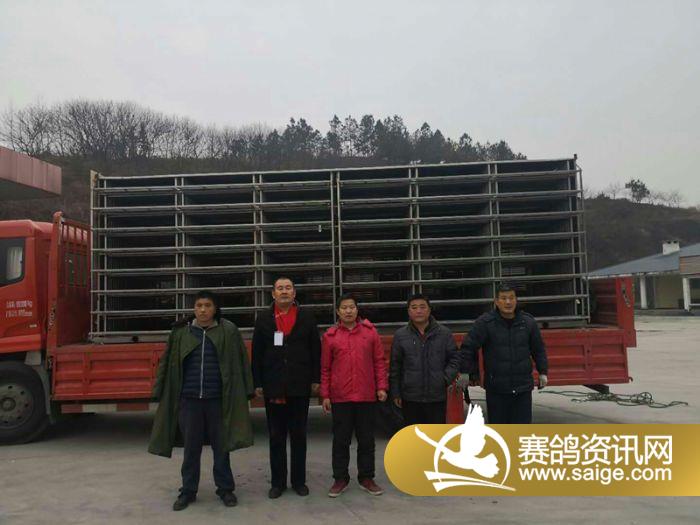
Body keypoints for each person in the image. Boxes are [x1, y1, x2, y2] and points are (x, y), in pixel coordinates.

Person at [148, 290, 254, 511]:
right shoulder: (181, 332)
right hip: (189, 400)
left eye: (208, 305)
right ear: (194, 309)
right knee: (191, 449)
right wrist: (158, 390)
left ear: (215, 309)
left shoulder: (228, 330)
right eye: (199, 306)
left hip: (219, 400)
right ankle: (188, 491)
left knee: (221, 448)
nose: (203, 310)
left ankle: (225, 489)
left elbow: (241, 360)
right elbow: (167, 362)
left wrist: (248, 389)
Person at [251, 276, 321, 499]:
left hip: (299, 385)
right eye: (280, 288)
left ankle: (299, 481)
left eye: (288, 288)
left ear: (294, 293)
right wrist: (257, 382)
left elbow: (315, 350)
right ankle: (278, 483)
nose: (284, 291)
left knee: (299, 436)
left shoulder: (306, 317)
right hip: (274, 385)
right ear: (273, 294)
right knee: (276, 437)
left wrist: (316, 379)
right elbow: (257, 353)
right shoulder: (264, 319)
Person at [321, 293, 388, 498]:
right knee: (341, 440)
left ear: (357, 310)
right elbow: (325, 368)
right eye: (344, 308)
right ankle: (340, 479)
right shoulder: (330, 336)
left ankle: (366, 477)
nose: (348, 311)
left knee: (366, 440)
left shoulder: (370, 333)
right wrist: (325, 394)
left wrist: (382, 387)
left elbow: (379, 361)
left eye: (352, 307)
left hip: (366, 395)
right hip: (341, 396)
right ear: (338, 311)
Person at [459, 282, 548, 424]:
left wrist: (543, 372)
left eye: (511, 298)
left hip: (522, 388)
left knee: (521, 431)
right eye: (504, 298)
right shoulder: (486, 323)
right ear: (496, 301)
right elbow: (468, 347)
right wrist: (465, 372)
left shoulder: (527, 322)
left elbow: (538, 349)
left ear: (516, 300)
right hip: (497, 389)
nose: (508, 302)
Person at [389, 293, 461, 425]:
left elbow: (455, 359)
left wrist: (444, 379)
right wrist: (396, 393)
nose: (418, 311)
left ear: (429, 310)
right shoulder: (400, 335)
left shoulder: (444, 333)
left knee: (435, 434)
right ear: (408, 311)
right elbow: (395, 367)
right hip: (410, 397)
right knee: (413, 434)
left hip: (436, 396)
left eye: (422, 307)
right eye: (414, 307)